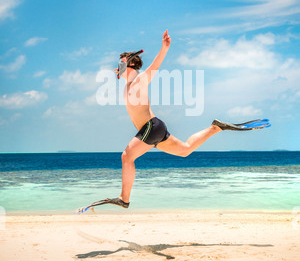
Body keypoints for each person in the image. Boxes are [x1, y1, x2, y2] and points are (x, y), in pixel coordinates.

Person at [77, 30, 270, 213]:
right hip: (155, 129)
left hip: (151, 127)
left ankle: (124, 199)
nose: (116, 69)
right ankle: (215, 128)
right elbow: (125, 73)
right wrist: (121, 67)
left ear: (131, 66)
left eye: (120, 65)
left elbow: (155, 66)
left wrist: (165, 48)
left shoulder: (140, 80)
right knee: (185, 150)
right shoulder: (128, 84)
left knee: (127, 157)